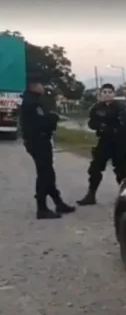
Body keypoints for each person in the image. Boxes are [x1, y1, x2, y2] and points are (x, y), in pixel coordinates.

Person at [20, 80, 75, 219]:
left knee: (48, 173)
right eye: (41, 85)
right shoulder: (32, 103)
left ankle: (58, 203)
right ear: (34, 86)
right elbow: (42, 122)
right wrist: (53, 118)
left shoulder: (32, 100)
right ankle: (42, 208)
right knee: (45, 174)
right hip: (38, 141)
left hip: (38, 140)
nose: (43, 87)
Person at [77, 83, 126, 206]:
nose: (107, 95)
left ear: (114, 94)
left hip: (118, 142)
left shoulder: (121, 107)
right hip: (103, 141)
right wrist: (101, 126)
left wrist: (112, 128)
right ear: (101, 94)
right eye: (104, 92)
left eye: (109, 92)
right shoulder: (96, 107)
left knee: (121, 170)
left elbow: (124, 123)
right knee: (95, 168)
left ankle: (125, 196)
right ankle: (91, 195)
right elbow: (91, 123)